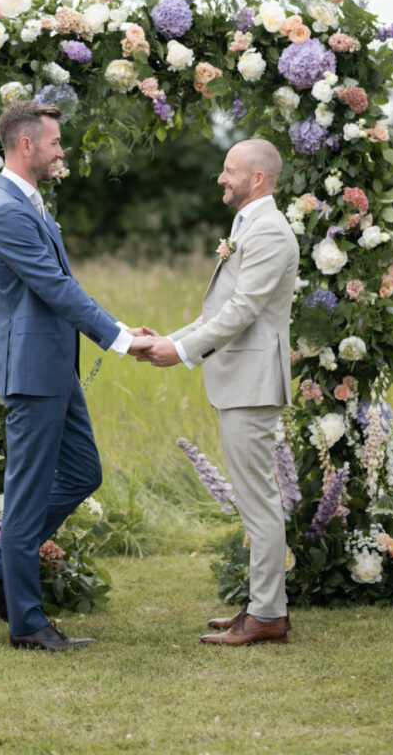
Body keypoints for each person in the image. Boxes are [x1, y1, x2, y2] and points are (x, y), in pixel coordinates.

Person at [0, 101, 152, 651]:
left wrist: (118, 326)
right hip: (33, 372)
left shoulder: (29, 204)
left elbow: (60, 286)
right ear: (27, 145)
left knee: (82, 473)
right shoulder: (7, 211)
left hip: (53, 367)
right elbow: (57, 288)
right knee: (25, 499)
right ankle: (26, 623)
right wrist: (122, 340)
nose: (61, 151)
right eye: (55, 143)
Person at [139, 138, 299, 645]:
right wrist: (169, 340)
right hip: (239, 380)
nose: (220, 179)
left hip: (252, 384)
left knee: (258, 502)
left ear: (257, 179)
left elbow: (242, 311)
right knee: (256, 498)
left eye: (229, 171)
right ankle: (261, 606)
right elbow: (218, 314)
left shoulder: (270, 231)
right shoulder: (249, 225)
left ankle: (269, 615)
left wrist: (184, 354)